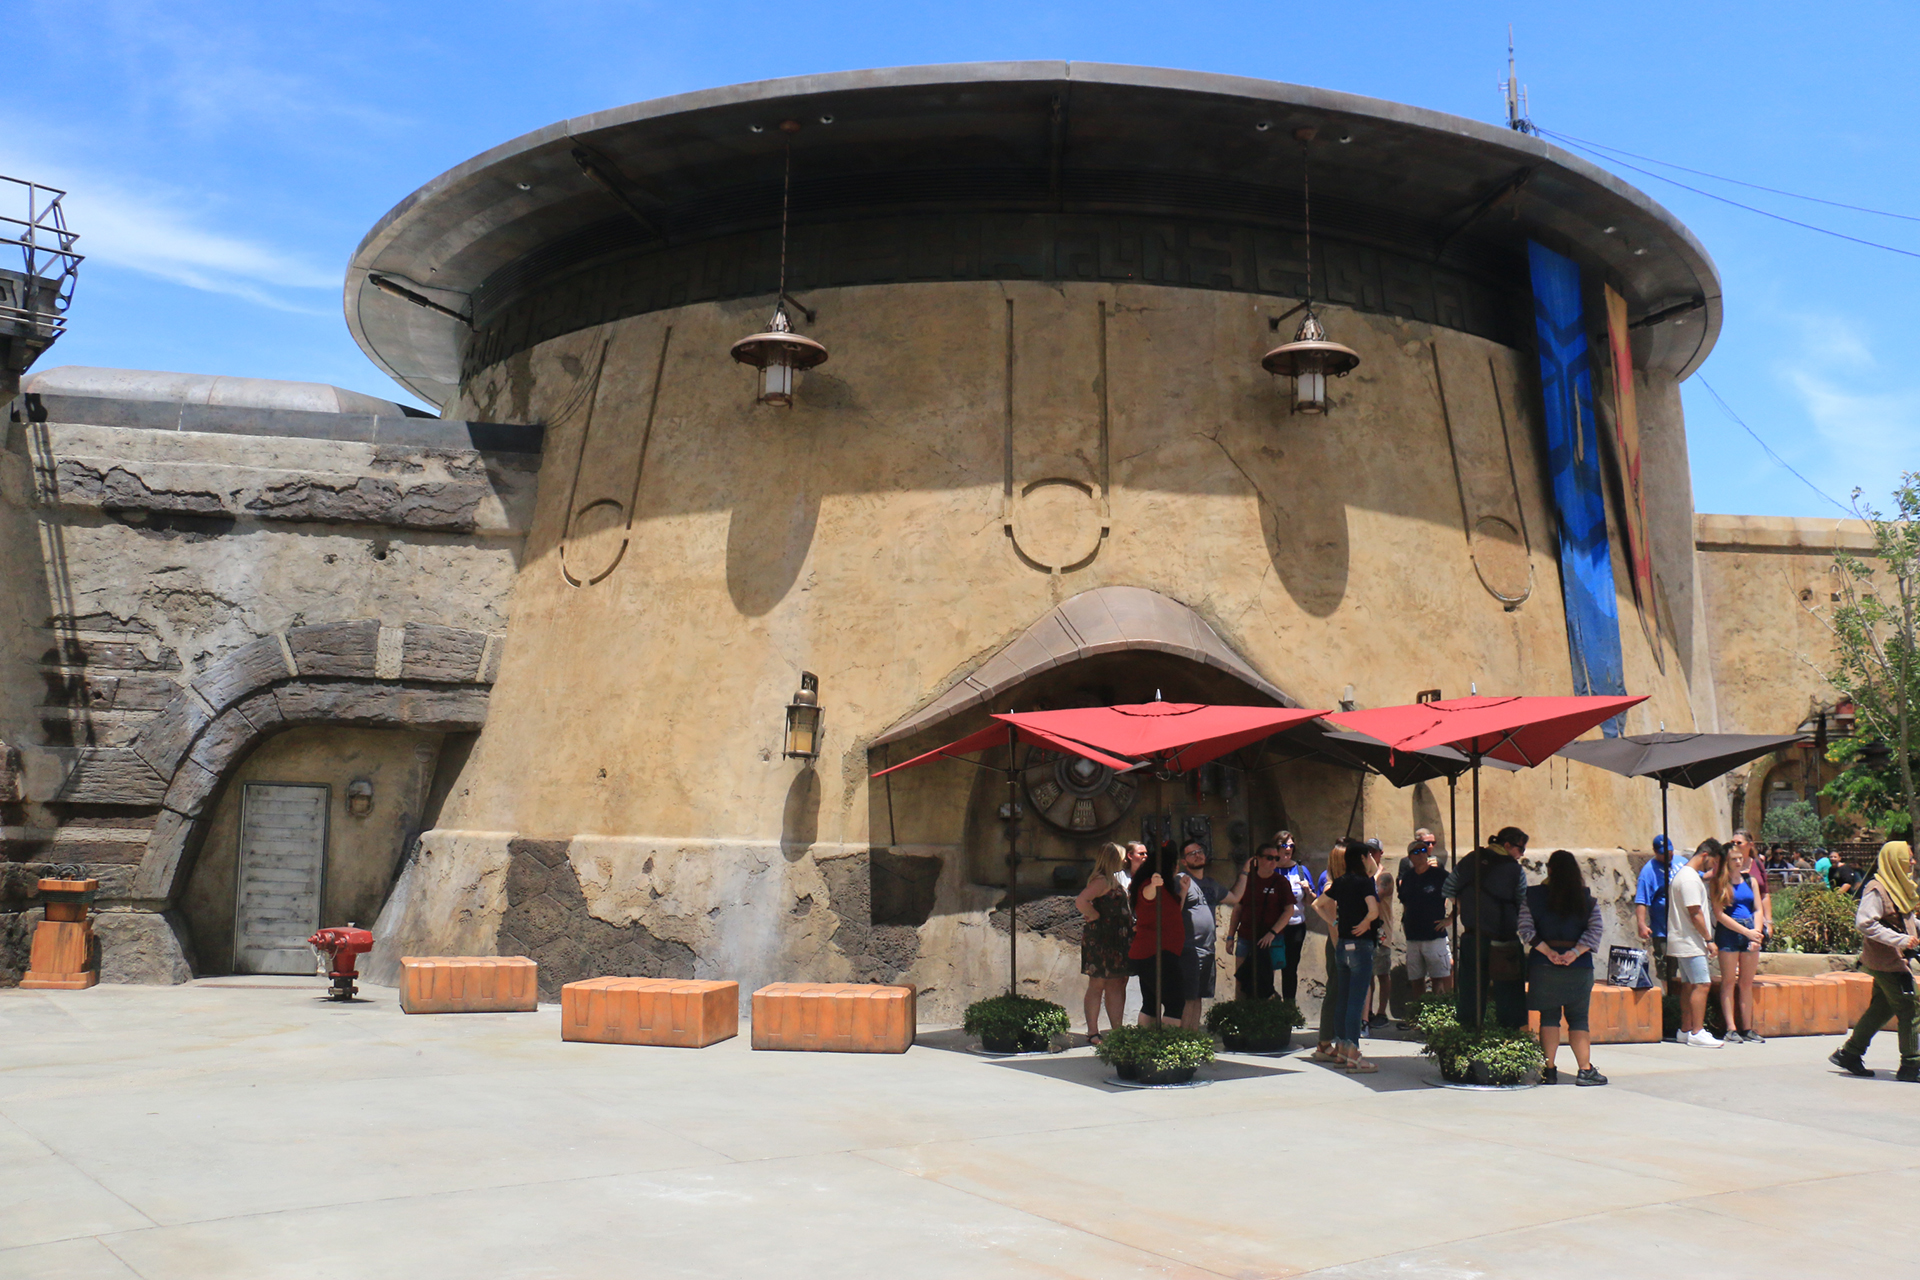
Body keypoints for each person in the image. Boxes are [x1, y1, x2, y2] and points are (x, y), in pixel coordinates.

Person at [1831, 841, 1920, 1080]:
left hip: (1892, 959)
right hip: (1886, 961)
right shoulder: (1877, 889)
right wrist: (1900, 939)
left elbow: (1904, 919)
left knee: (1883, 1006)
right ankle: (1912, 1065)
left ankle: (1849, 1053)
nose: (1912, 862)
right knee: (1910, 1007)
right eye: (1908, 858)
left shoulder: (1896, 886)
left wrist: (1913, 931)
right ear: (1895, 860)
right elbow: (1865, 923)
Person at [1519, 849, 1607, 1085]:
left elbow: (1526, 929)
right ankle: (1585, 1070)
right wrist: (1574, 953)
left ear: (1549, 870)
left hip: (1543, 965)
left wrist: (1548, 951)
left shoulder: (1532, 896)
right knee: (1578, 1018)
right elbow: (1595, 930)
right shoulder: (1586, 899)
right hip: (1578, 966)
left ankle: (1548, 1071)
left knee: (1548, 1017)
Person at [1445, 827, 1529, 1029]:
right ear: (1507, 845)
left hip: (1472, 937)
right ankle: (1507, 1039)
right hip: (1504, 940)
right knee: (1509, 994)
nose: (1521, 854)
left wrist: (1467, 908)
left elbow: (1448, 888)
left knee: (1470, 993)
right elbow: (1523, 903)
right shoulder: (1515, 870)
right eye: (1520, 849)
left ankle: (1469, 1036)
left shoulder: (1470, 859)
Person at [1315, 840, 1381, 1072]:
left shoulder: (1340, 881)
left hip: (1342, 945)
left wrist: (1333, 922)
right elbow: (1374, 910)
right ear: (1362, 858)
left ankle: (1342, 1048)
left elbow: (1317, 904)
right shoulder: (1364, 882)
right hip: (1360, 946)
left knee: (1343, 998)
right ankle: (1353, 1053)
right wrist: (1365, 922)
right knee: (1356, 1000)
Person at [1073, 842, 1133, 1044]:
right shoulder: (1101, 881)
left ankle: (1117, 1030)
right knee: (1098, 983)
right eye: (1122, 856)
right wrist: (1094, 915)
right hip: (1102, 938)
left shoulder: (1115, 879)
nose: (1124, 860)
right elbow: (1081, 901)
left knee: (1116, 983)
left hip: (1117, 939)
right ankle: (1093, 1031)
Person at [1224, 842, 1295, 1002]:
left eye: (1276, 858)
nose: (1273, 862)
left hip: (1269, 940)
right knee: (1241, 979)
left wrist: (1272, 933)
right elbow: (1238, 909)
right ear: (1257, 859)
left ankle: (1262, 1013)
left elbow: (1288, 911)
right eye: (1269, 858)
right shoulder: (1248, 881)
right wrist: (1230, 936)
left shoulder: (1281, 882)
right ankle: (1241, 1013)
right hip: (1246, 936)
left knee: (1265, 980)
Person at [1669, 839, 1723, 1047]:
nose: (1713, 867)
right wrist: (1709, 939)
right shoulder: (1690, 879)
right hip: (1691, 941)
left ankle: (1685, 1029)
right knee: (1702, 984)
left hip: (1683, 940)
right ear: (1705, 855)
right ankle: (1697, 1031)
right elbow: (1695, 912)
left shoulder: (1683, 875)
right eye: (1713, 862)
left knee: (1689, 985)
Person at [1712, 836, 1766, 1044]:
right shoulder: (1719, 882)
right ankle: (1731, 1028)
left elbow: (1758, 908)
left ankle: (1747, 1027)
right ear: (1726, 861)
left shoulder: (1750, 881)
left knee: (1746, 983)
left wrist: (1756, 933)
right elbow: (1719, 914)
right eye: (1733, 859)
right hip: (1729, 932)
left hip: (1750, 930)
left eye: (1739, 858)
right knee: (1728, 981)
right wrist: (1746, 932)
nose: (1738, 862)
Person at [1127, 842, 1188, 1026]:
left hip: (1155, 953)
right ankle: (1168, 1042)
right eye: (1175, 864)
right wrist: (1154, 885)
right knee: (1175, 1002)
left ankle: (1147, 1040)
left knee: (1151, 1003)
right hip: (1156, 953)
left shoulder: (1167, 890)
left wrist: (1183, 892)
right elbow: (1147, 896)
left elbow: (1173, 912)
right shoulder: (1149, 885)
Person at [1311, 839, 1353, 1063]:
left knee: (1342, 994)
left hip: (1345, 944)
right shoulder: (1331, 888)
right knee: (1335, 992)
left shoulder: (1345, 884)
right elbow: (1331, 923)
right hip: (1339, 945)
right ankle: (1325, 1042)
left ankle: (1338, 1041)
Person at [1178, 841, 1228, 1029]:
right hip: (1189, 949)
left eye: (1199, 851)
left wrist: (1246, 873)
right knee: (1188, 997)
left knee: (1198, 996)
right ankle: (1183, 1037)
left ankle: (1192, 1035)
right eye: (1192, 853)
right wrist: (1183, 891)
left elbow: (1235, 897)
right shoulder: (1181, 880)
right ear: (1184, 861)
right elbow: (1174, 911)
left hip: (1208, 949)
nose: (1197, 855)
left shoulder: (1212, 884)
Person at [1397, 832, 1452, 1001]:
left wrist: (1449, 920)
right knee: (1416, 979)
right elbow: (1405, 902)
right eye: (1416, 851)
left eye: (1423, 850)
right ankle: (1419, 1011)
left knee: (1439, 978)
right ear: (1409, 857)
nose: (1421, 854)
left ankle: (1441, 1010)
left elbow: (1459, 900)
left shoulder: (1440, 875)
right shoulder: (1407, 877)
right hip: (1413, 937)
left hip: (1434, 936)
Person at [1633, 834, 1688, 987]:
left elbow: (1700, 876)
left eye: (1670, 851)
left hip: (1684, 927)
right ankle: (1669, 995)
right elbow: (1642, 900)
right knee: (1666, 968)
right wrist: (1641, 924)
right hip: (1663, 930)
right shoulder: (1648, 872)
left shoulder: (1682, 862)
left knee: (1687, 968)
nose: (1668, 855)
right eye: (1664, 853)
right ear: (1656, 852)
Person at [1273, 832, 1320, 1003]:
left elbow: (1310, 901)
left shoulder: (1301, 870)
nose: (1288, 849)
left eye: (1292, 846)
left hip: (1295, 927)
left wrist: (1308, 891)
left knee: (1290, 968)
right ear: (1277, 848)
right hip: (1274, 927)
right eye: (1285, 845)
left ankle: (1289, 1006)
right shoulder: (1270, 869)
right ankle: (1268, 1003)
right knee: (1269, 965)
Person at [1362, 838, 1394, 1036]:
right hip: (1365, 932)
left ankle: (1382, 1012)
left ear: (1380, 853)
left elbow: (1375, 896)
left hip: (1381, 933)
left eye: (1373, 852)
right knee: (1368, 974)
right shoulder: (1364, 876)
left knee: (1382, 972)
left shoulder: (1385, 877)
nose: (1370, 855)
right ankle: (1369, 1011)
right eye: (1367, 851)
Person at [1730, 830, 1772, 946]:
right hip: (1734, 920)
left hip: (1756, 921)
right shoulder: (1726, 867)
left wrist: (1768, 922)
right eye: (1733, 842)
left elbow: (1765, 894)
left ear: (1750, 845)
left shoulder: (1757, 864)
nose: (1735, 845)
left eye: (1739, 843)